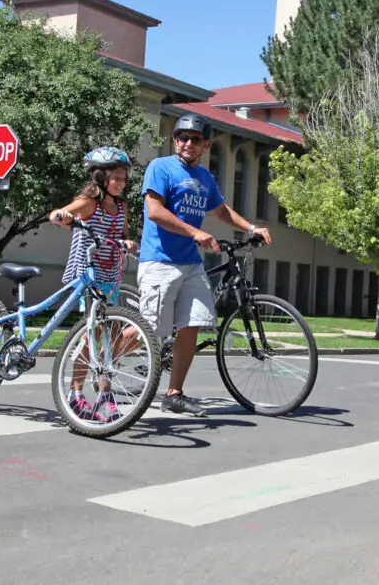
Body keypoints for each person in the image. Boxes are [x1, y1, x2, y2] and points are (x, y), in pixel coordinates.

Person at [139, 114, 272, 416]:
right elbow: (155, 211)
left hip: (191, 263)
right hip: (161, 260)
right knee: (147, 329)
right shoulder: (160, 168)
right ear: (175, 141)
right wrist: (194, 231)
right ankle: (103, 360)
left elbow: (221, 210)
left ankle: (174, 394)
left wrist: (252, 228)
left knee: (192, 325)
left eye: (195, 139)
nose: (187, 143)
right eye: (182, 137)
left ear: (205, 145)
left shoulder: (205, 178)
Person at [49, 146, 139, 422]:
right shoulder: (90, 202)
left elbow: (123, 235)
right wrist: (60, 216)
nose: (122, 183)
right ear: (101, 178)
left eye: (124, 179)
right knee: (90, 336)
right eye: (117, 178)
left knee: (110, 338)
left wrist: (130, 243)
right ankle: (76, 395)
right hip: (86, 274)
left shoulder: (121, 206)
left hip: (110, 276)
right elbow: (61, 213)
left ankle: (103, 394)